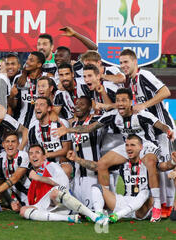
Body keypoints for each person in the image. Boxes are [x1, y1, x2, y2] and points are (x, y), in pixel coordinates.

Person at [54, 88, 175, 222]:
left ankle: (157, 205)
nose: (120, 104)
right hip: (128, 144)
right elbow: (89, 128)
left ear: (130, 102)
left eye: (124, 100)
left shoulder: (141, 114)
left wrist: (169, 132)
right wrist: (67, 129)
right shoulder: (112, 115)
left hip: (146, 144)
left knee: (151, 163)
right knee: (102, 164)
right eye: (118, 101)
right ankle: (104, 202)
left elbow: (161, 125)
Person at [120, 48, 176, 217]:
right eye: (121, 63)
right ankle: (162, 205)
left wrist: (144, 105)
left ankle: (169, 206)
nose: (123, 66)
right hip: (151, 131)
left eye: (126, 62)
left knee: (167, 166)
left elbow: (166, 91)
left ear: (135, 62)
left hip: (163, 127)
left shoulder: (144, 75)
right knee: (157, 166)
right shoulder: (130, 82)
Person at [90, 135, 176, 223]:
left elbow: (165, 166)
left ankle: (117, 216)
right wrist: (77, 159)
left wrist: (173, 161)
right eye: (127, 145)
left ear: (141, 147)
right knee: (96, 188)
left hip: (142, 208)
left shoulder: (149, 164)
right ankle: (99, 215)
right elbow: (97, 166)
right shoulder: (121, 164)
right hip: (125, 202)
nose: (129, 148)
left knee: (145, 192)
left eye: (133, 145)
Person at [19, 144, 108, 224]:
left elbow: (63, 183)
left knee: (54, 192)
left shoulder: (52, 166)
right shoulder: (30, 172)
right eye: (31, 153)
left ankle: (93, 216)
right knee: (23, 211)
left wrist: (39, 178)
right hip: (45, 204)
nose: (34, 155)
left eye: (37, 152)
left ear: (44, 156)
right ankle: (68, 218)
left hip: (60, 202)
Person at [64, 96, 104, 209]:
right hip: (77, 174)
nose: (78, 106)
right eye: (77, 104)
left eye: (82, 104)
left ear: (90, 107)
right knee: (77, 210)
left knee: (92, 209)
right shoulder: (74, 125)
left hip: (92, 174)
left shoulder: (96, 122)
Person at [0, 130, 30, 211]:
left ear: (18, 144)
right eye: (7, 141)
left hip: (30, 194)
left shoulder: (23, 156)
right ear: (3, 144)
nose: (10, 144)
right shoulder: (0, 158)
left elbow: (15, 178)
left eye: (13, 141)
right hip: (15, 197)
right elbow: (1, 181)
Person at [28, 96, 72, 178]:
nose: (37, 107)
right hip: (44, 165)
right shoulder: (33, 129)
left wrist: (47, 155)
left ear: (49, 108)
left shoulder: (60, 125)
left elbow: (66, 150)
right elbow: (32, 152)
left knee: (65, 170)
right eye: (36, 105)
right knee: (34, 175)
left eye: (41, 105)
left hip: (61, 164)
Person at [9, 51, 46, 127]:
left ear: (39, 64)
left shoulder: (47, 79)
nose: (27, 62)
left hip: (39, 126)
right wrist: (12, 96)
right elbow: (13, 106)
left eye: (31, 60)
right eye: (28, 59)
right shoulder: (19, 78)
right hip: (20, 124)